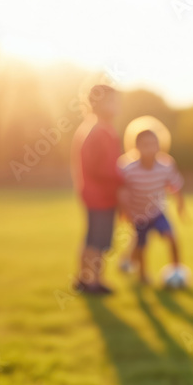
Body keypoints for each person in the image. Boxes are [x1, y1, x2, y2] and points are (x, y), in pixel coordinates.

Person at [117, 124, 186, 285]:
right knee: (141, 246)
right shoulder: (128, 168)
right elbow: (122, 192)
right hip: (138, 215)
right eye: (145, 145)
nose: (150, 148)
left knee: (172, 237)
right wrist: (125, 212)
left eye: (154, 144)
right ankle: (142, 275)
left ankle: (176, 271)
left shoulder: (166, 165)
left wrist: (180, 204)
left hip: (158, 211)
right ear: (136, 148)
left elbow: (175, 185)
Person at [72, 84, 123, 295]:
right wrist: (123, 178)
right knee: (97, 240)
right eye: (111, 101)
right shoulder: (98, 130)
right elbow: (103, 167)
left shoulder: (99, 128)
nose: (116, 105)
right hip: (99, 195)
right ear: (96, 103)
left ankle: (89, 278)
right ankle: (91, 281)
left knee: (94, 238)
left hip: (100, 194)